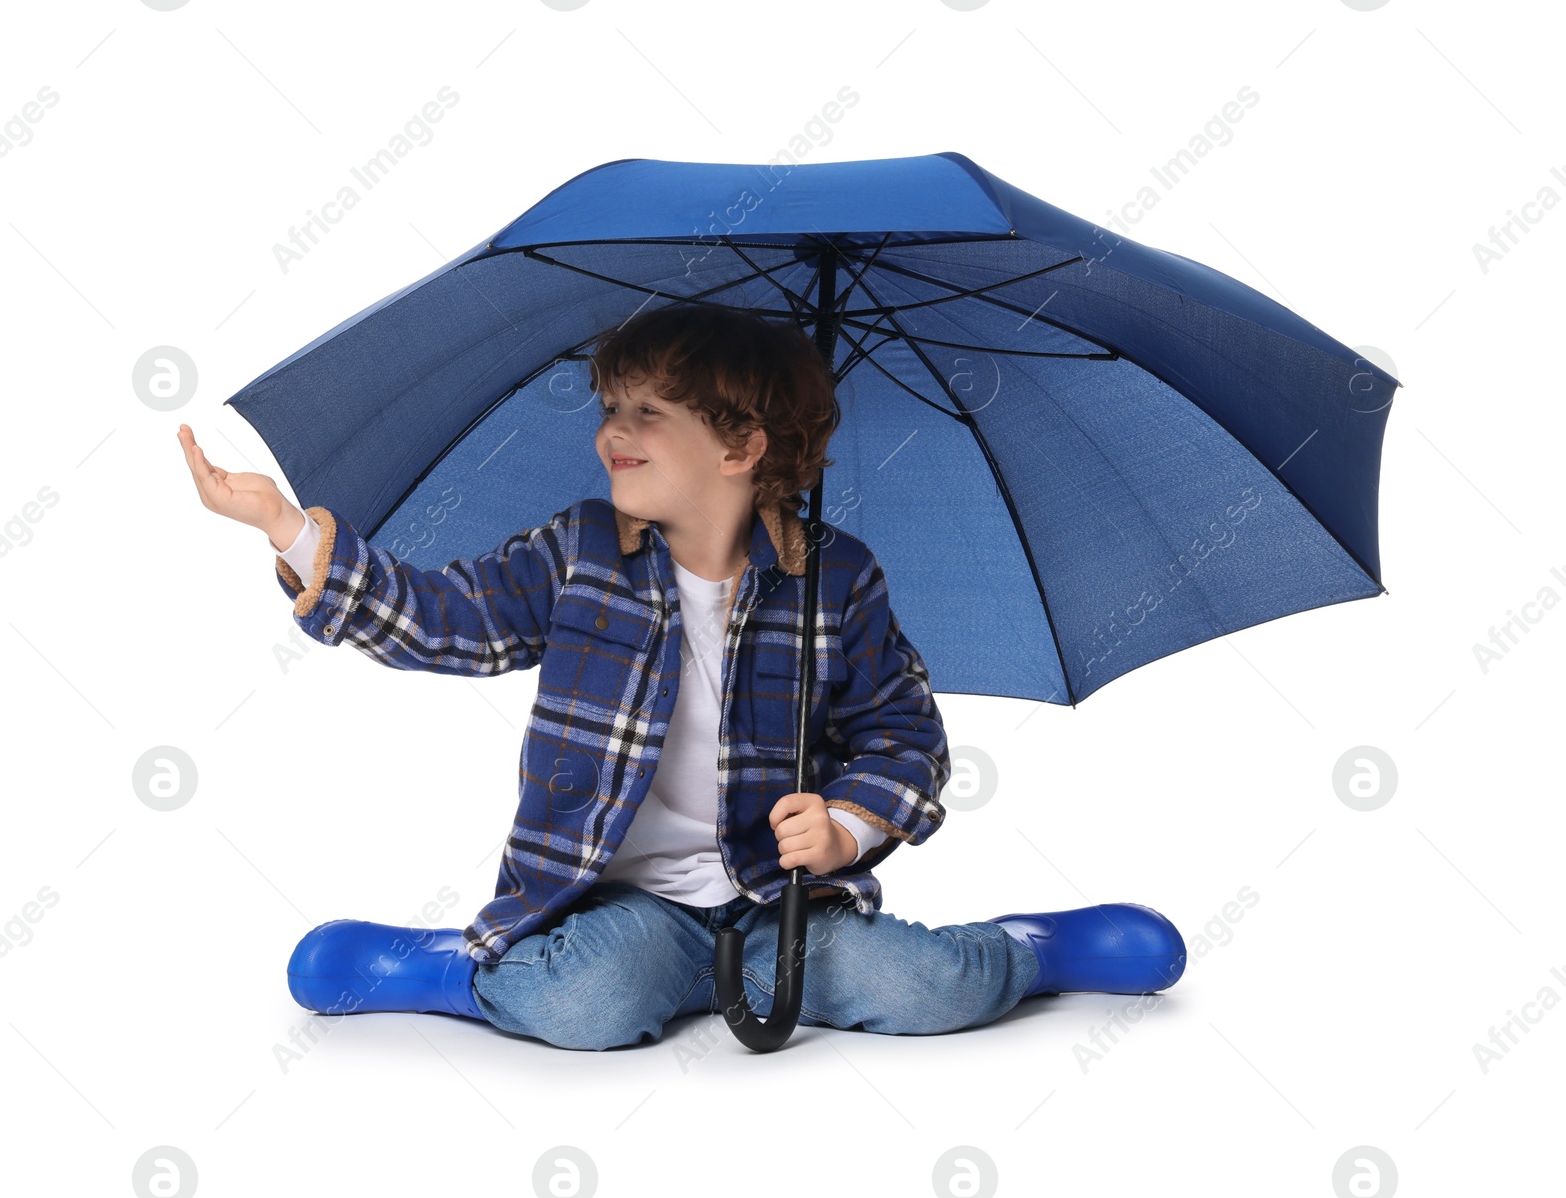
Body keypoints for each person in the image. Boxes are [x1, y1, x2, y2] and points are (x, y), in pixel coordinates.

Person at [180, 302, 1186, 1051]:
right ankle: (456, 966)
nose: (609, 433)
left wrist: (847, 823)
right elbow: (448, 621)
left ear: (742, 446)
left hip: (777, 904)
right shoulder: (580, 553)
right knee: (584, 1004)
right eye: (610, 407)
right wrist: (290, 531)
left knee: (930, 990)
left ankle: (1031, 948)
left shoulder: (834, 579)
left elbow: (905, 738)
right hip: (627, 905)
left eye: (646, 414)